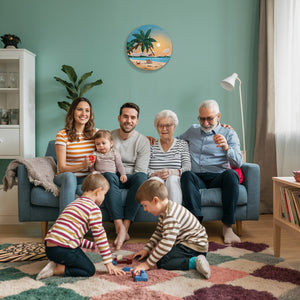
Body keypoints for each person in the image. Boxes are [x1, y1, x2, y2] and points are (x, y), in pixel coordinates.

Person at [36, 172, 125, 280]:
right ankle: (56, 269)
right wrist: (109, 263)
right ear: (98, 191)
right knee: (88, 269)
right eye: (104, 194)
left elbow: (71, 235)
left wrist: (92, 245)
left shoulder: (74, 203)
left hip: (50, 249)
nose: (104, 198)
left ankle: (58, 261)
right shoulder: (93, 209)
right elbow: (100, 236)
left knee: (74, 250)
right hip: (62, 249)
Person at [179, 99, 243, 244]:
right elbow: (174, 142)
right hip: (197, 177)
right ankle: (195, 227)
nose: (206, 123)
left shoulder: (229, 133)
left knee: (231, 175)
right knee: (187, 175)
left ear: (218, 116)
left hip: (219, 176)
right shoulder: (192, 130)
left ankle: (227, 228)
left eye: (210, 118)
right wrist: (152, 141)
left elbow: (238, 162)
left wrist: (227, 148)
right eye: (202, 119)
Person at [132, 179, 210, 279]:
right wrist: (147, 250)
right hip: (190, 244)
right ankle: (193, 258)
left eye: (145, 205)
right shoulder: (165, 211)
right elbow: (158, 233)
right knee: (159, 256)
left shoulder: (170, 216)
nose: (145, 209)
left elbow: (166, 244)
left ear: (155, 200)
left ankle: (194, 262)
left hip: (194, 246)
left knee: (162, 262)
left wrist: (147, 264)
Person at [104, 102, 150, 250]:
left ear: (137, 120)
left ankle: (125, 227)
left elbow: (140, 170)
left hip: (132, 176)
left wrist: (125, 175)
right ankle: (120, 228)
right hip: (114, 176)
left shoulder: (142, 141)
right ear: (119, 118)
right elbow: (103, 160)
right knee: (109, 175)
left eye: (132, 117)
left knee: (142, 178)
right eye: (125, 116)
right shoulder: (109, 137)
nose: (128, 120)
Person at [54, 97, 99, 213]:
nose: (84, 113)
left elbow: (114, 140)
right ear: (72, 112)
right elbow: (62, 167)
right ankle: (65, 224)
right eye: (80, 109)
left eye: (87, 110)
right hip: (65, 177)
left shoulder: (95, 134)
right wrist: (82, 165)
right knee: (70, 176)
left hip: (85, 179)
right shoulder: (62, 135)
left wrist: (143, 138)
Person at [148, 109, 191, 204]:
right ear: (156, 127)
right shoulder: (150, 145)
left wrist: (173, 172)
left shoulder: (182, 144)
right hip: (155, 179)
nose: (164, 129)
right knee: (155, 181)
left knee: (172, 179)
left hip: (175, 180)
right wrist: (156, 174)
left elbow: (187, 167)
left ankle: (174, 215)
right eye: (160, 126)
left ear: (174, 127)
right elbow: (144, 168)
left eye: (168, 125)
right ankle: (160, 215)